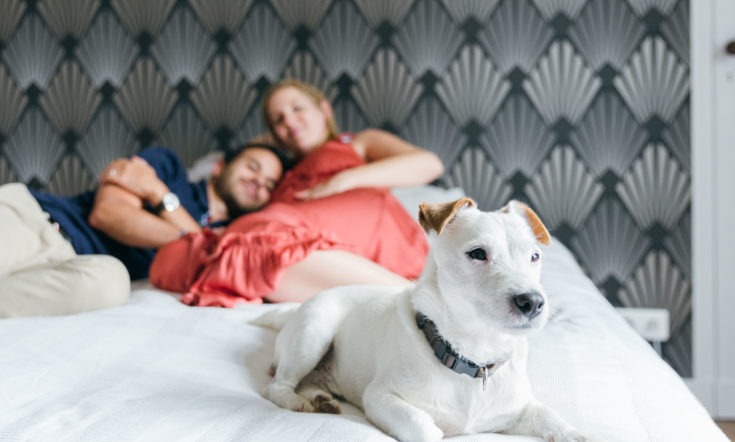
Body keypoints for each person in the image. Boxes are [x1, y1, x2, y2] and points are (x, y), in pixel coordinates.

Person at [150, 79, 445, 306]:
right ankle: (404, 300)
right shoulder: (280, 174)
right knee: (178, 255)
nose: (288, 121)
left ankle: (416, 299)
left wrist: (342, 181)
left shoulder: (355, 144)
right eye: (277, 120)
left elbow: (428, 164)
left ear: (324, 109)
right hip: (297, 240)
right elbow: (241, 165)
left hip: (371, 246)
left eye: (297, 108)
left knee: (258, 234)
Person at [0, 143, 288, 317]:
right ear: (219, 167)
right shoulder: (167, 167)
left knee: (112, 284)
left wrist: (157, 195)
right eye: (253, 167)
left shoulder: (237, 237)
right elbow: (108, 215)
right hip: (36, 220)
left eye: (270, 184)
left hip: (80, 267)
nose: (259, 181)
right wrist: (200, 244)